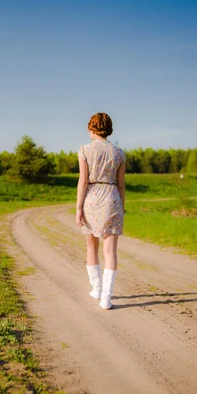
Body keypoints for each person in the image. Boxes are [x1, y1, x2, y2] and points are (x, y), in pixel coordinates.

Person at [75, 112, 126, 310]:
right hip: (112, 197)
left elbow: (83, 180)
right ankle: (107, 297)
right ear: (109, 129)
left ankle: (96, 288)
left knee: (91, 246)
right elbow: (121, 185)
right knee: (110, 250)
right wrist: (121, 206)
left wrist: (78, 208)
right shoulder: (119, 153)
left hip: (91, 197)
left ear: (91, 129)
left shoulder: (85, 150)